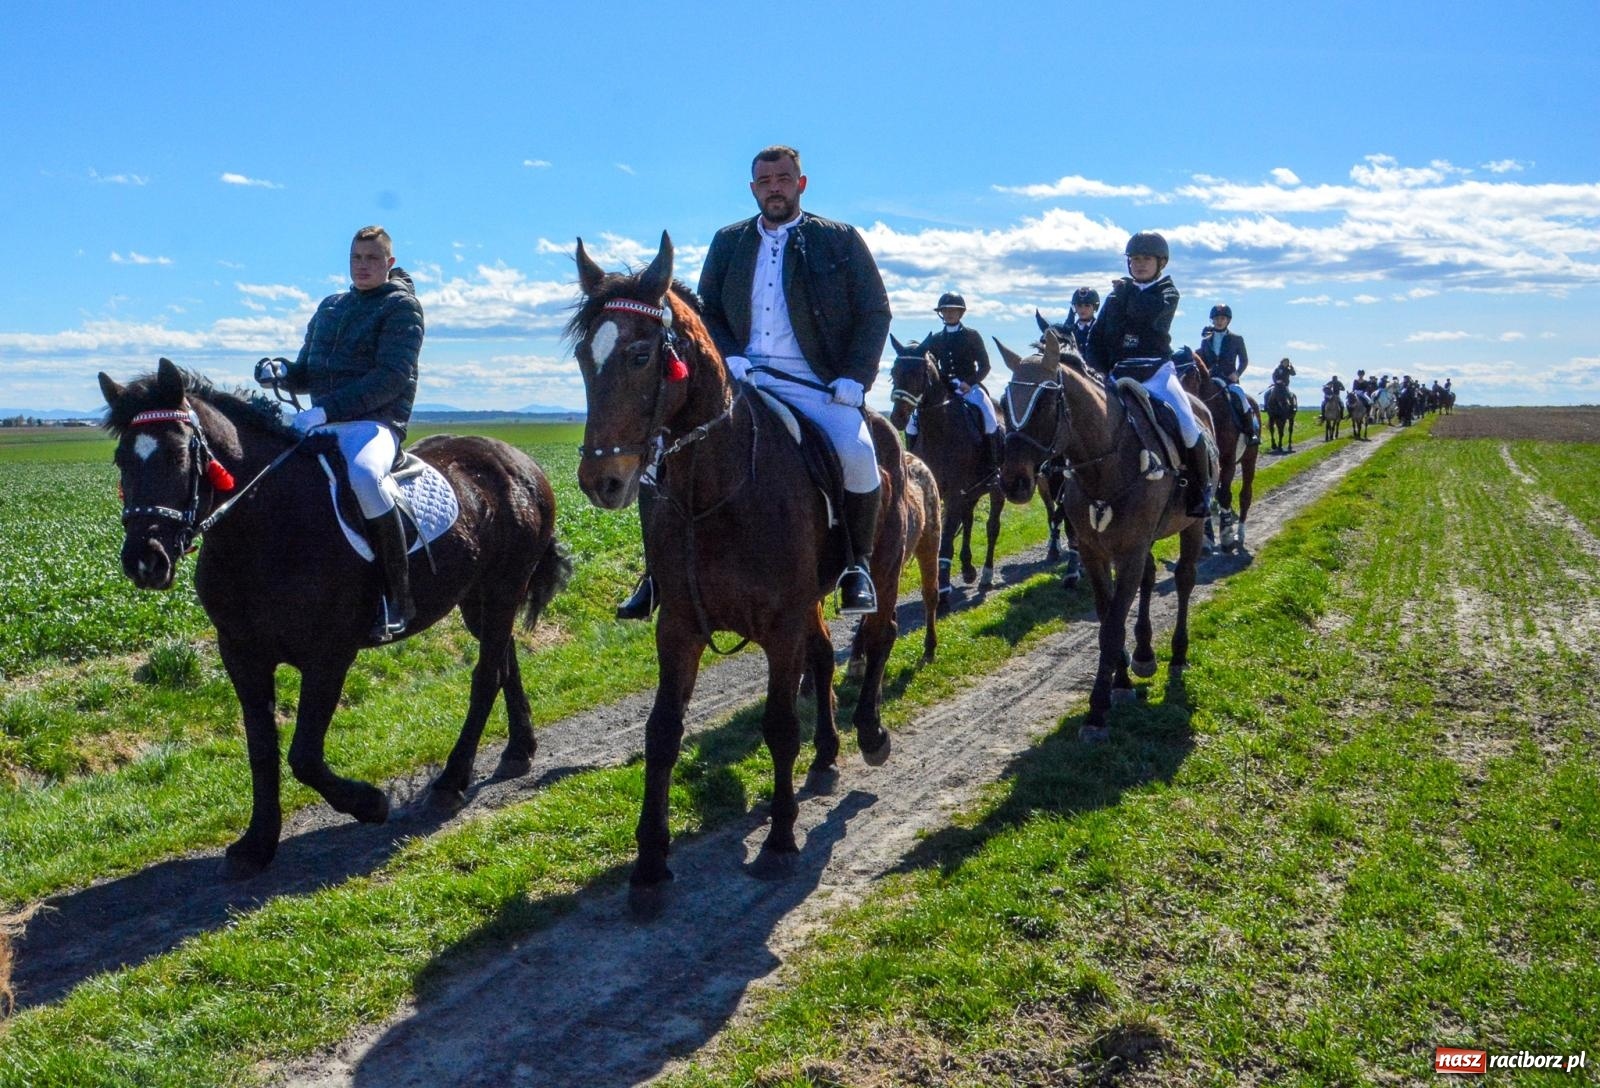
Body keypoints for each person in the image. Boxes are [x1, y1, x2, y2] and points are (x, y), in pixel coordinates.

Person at [620, 144, 892, 619]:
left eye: (783, 179)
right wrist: (731, 357)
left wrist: (855, 377)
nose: (774, 189)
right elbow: (708, 311)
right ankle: (655, 576)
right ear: (753, 189)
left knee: (859, 452)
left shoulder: (841, 239)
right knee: (658, 456)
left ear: (801, 184)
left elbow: (875, 312)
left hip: (817, 383)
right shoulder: (728, 242)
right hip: (742, 378)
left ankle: (856, 568)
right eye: (765, 182)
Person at [255, 225, 424, 642]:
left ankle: (397, 597)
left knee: (366, 479)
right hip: (321, 421)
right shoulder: (329, 307)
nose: (362, 266)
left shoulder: (402, 308)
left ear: (389, 262)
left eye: (371, 258)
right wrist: (281, 371)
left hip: (375, 423)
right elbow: (305, 371)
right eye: (355, 258)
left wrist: (325, 410)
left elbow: (391, 377)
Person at [1085, 231, 1212, 517]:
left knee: (1188, 426)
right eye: (1135, 259)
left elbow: (1144, 314)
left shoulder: (1167, 292)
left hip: (1156, 372)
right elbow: (1096, 339)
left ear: (1161, 263)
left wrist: (1125, 290)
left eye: (1146, 259)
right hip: (1119, 374)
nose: (1139, 264)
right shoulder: (1115, 296)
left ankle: (1199, 492)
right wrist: (1100, 372)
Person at [908, 291, 1002, 473]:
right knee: (912, 422)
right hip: (945, 388)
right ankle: (910, 467)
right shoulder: (935, 339)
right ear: (941, 313)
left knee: (990, 418)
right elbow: (931, 368)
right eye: (946, 310)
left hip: (970, 387)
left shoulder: (972, 336)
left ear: (960, 313)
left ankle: (993, 467)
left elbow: (985, 366)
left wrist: (969, 382)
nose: (949, 314)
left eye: (953, 310)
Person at [1196, 303, 1260, 447]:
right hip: (1211, 378)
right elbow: (1203, 360)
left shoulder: (1237, 339)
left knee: (1240, 395)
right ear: (1212, 320)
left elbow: (1244, 360)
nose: (1219, 321)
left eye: (1223, 318)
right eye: (1217, 318)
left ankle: (1251, 432)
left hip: (1229, 379)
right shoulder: (1206, 341)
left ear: (1228, 320)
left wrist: (1237, 373)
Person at [1066, 287, 1099, 356]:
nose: (1083, 309)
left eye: (1087, 305)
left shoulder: (1101, 329)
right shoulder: (1070, 331)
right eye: (1079, 305)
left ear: (1095, 307)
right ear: (1074, 307)